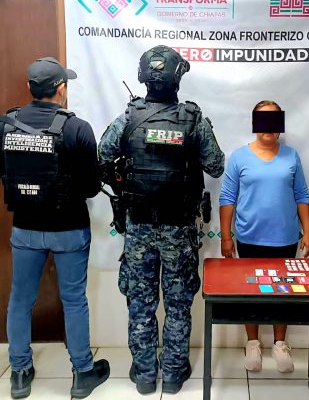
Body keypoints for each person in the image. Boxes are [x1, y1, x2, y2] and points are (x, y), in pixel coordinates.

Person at [98, 45, 224, 395]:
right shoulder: (193, 119)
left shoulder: (128, 118)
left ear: (144, 77)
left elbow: (102, 155)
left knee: (140, 304)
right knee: (178, 305)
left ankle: (144, 376)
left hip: (138, 228)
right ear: (177, 78)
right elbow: (216, 165)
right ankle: (173, 374)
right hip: (178, 230)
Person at [0, 57, 110, 399]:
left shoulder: (6, 125)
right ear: (61, 89)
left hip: (25, 228)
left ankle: (19, 374)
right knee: (73, 300)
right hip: (69, 229)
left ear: (30, 88)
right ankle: (82, 373)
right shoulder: (77, 128)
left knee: (20, 299)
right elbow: (92, 187)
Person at [219, 100, 309, 373]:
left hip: (285, 239)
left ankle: (280, 344)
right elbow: (227, 198)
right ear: (254, 124)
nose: (269, 127)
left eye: (274, 120)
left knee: (282, 293)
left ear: (280, 125)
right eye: (263, 120)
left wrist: (307, 232)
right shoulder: (239, 157)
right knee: (251, 293)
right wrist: (226, 237)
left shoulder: (292, 156)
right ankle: (252, 343)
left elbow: (301, 194)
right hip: (249, 238)